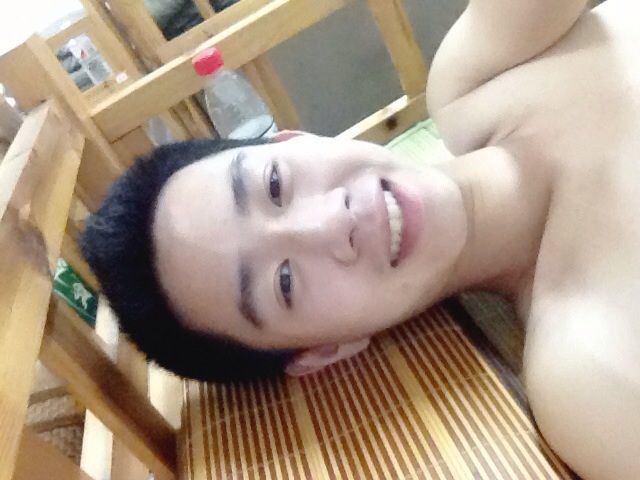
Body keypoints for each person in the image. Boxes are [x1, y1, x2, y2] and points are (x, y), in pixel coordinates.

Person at [82, 0, 640, 477]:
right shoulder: (591, 375)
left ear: (293, 140)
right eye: (284, 282)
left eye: (274, 184)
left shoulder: (473, 82)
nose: (332, 222)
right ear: (324, 350)